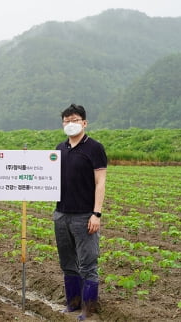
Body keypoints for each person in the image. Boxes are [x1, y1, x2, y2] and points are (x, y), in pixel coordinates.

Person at [54, 104, 107, 321]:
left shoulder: (94, 148)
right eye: (66, 121)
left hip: (85, 215)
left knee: (88, 263)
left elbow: (100, 181)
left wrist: (96, 213)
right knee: (68, 262)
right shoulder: (60, 148)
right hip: (61, 214)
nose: (70, 124)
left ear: (84, 123)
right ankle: (73, 303)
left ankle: (88, 308)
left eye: (75, 120)